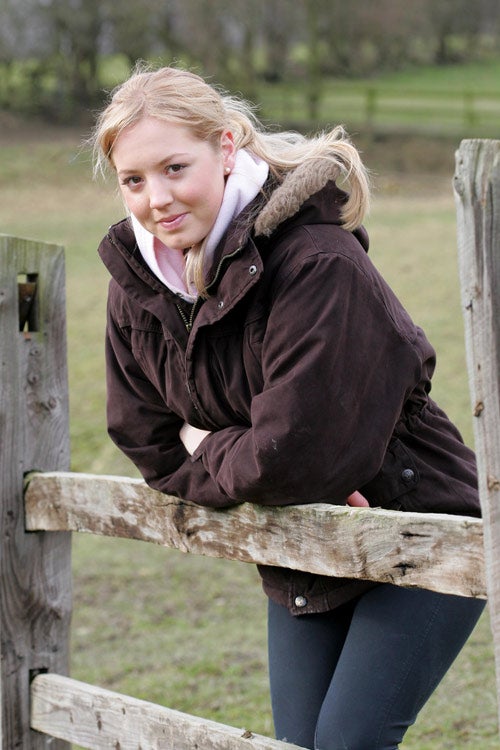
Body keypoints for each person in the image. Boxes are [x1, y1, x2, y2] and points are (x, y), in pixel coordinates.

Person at [91, 64, 485, 750]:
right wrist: (254, 468)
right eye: (133, 179)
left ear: (226, 147)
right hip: (297, 546)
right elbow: (141, 435)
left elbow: (296, 450)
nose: (156, 199)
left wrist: (204, 441)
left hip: (420, 529)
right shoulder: (140, 285)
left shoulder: (317, 264)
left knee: (346, 742)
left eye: (175, 167)